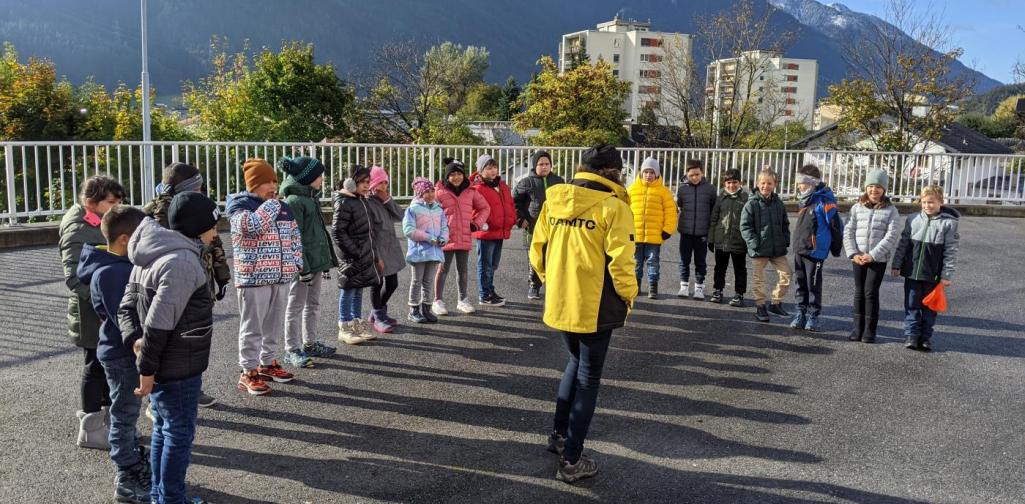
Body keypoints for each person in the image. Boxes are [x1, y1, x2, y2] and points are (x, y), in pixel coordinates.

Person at [529, 144, 637, 484]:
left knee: (574, 364)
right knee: (588, 377)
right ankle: (572, 460)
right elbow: (622, 262)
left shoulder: (554, 200)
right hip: (595, 304)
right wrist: (629, 297)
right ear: (614, 172)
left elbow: (538, 251)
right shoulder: (614, 207)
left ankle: (560, 437)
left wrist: (552, 281)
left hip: (560, 299)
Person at [119, 191, 219, 504]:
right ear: (198, 226)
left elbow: (127, 307)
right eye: (213, 225)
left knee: (164, 427)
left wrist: (134, 342)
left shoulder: (150, 252)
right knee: (178, 432)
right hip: (178, 364)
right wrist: (145, 368)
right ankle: (171, 498)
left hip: (165, 360)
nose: (216, 232)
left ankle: (162, 494)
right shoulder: (181, 262)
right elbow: (159, 324)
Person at [76, 205, 149, 503]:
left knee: (127, 412)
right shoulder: (112, 272)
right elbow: (127, 317)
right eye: (141, 238)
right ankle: (127, 474)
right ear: (123, 240)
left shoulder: (113, 266)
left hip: (120, 350)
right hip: (122, 353)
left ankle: (131, 456)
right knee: (124, 414)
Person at [143, 162, 229, 408]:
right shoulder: (156, 213)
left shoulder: (198, 208)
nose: (202, 191)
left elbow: (215, 244)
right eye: (198, 187)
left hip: (201, 283)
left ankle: (194, 386)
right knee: (169, 340)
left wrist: (222, 277)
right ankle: (157, 399)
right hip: (174, 286)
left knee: (195, 338)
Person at [59, 175, 125, 449]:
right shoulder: (78, 230)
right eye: (111, 201)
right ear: (90, 203)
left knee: (110, 366)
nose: (118, 206)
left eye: (120, 200)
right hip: (92, 313)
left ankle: (110, 423)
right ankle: (90, 427)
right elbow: (74, 278)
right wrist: (102, 300)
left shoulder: (102, 222)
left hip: (107, 309)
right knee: (95, 366)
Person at [227, 159, 302, 395]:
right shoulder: (239, 205)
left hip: (280, 276)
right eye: (267, 181)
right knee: (252, 327)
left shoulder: (283, 208)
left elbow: (294, 237)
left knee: (272, 325)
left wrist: (296, 262)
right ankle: (248, 370)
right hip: (253, 278)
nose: (273, 186)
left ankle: (267, 363)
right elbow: (252, 226)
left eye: (274, 181)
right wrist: (271, 205)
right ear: (253, 184)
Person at [279, 156, 338, 368]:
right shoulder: (295, 201)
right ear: (308, 177)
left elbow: (316, 233)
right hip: (303, 265)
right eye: (319, 175)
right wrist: (302, 266)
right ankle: (292, 348)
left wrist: (323, 262)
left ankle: (310, 342)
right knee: (295, 305)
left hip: (314, 262)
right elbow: (295, 237)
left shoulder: (310, 197)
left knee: (313, 304)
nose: (322, 178)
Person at [891, 185, 959, 351]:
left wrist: (946, 275)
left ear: (940, 202)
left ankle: (925, 337)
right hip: (912, 272)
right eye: (924, 202)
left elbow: (951, 251)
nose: (927, 206)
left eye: (931, 202)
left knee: (929, 308)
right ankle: (911, 336)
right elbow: (903, 244)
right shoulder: (913, 219)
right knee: (911, 304)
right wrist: (896, 264)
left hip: (933, 275)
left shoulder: (949, 223)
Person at [843, 169, 901, 343]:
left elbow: (891, 236)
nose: (874, 190)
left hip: (877, 259)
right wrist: (853, 253)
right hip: (858, 258)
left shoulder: (891, 210)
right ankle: (857, 328)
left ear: (884, 189)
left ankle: (870, 330)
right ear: (866, 188)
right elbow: (848, 231)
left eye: (878, 187)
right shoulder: (856, 208)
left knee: (871, 292)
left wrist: (873, 255)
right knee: (859, 291)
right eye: (871, 186)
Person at [789, 164, 844, 332]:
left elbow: (836, 226)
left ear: (812, 182)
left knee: (813, 285)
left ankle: (813, 315)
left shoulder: (824, 201)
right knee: (800, 283)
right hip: (800, 249)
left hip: (815, 252)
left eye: (803, 182)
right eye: (798, 182)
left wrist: (835, 248)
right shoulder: (804, 201)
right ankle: (800, 312)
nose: (799, 185)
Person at [432, 159, 490, 316]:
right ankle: (437, 300)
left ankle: (463, 300)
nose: (456, 177)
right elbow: (431, 213)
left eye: (459, 174)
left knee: (463, 270)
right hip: (445, 238)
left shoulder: (471, 191)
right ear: (447, 176)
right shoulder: (439, 192)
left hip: (464, 237)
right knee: (442, 269)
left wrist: (476, 224)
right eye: (452, 174)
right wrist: (436, 231)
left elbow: (485, 207)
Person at [332, 165, 382, 344]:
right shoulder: (345, 202)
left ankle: (356, 324)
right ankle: (344, 326)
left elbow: (369, 233)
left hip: (363, 255)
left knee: (359, 288)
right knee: (348, 289)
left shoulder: (361, 200)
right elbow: (338, 232)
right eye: (362, 182)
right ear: (351, 182)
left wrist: (375, 256)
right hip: (352, 256)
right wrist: (355, 252)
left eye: (368, 182)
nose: (366, 185)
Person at [740, 168, 793, 323]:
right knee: (759, 279)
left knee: (787, 274)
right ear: (757, 184)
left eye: (769, 183)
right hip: (759, 249)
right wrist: (754, 243)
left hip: (777, 249)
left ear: (774, 184)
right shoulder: (752, 204)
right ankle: (760, 305)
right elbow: (745, 227)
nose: (766, 186)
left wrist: (785, 240)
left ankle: (776, 303)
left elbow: (785, 224)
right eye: (763, 183)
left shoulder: (779, 204)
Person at [512, 150, 565, 300]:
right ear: (535, 165)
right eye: (541, 164)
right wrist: (520, 219)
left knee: (554, 257)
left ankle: (555, 287)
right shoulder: (526, 182)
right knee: (534, 257)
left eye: (547, 164)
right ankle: (534, 286)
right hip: (533, 227)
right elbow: (515, 202)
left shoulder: (559, 181)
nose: (544, 167)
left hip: (555, 227)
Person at [627, 157, 677, 299]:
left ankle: (653, 287)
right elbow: (624, 210)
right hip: (635, 235)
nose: (648, 175)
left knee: (652, 261)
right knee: (636, 263)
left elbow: (670, 212)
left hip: (655, 236)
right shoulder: (631, 190)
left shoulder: (663, 192)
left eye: (651, 172)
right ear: (641, 173)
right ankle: (636, 286)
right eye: (646, 172)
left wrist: (667, 230)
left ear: (657, 174)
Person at [470, 154, 517, 306]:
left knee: (493, 264)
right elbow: (472, 211)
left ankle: (490, 290)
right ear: (480, 171)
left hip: (499, 230)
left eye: (494, 167)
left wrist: (512, 219)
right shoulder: (476, 188)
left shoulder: (502, 185)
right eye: (488, 168)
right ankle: (484, 294)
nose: (493, 171)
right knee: (485, 265)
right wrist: (484, 222)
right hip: (486, 231)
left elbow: (509, 205)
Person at [366, 165, 406, 333]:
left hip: (391, 247)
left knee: (393, 283)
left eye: (385, 183)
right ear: (372, 185)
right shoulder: (368, 203)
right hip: (378, 251)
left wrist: (388, 199)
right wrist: (376, 256)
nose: (383, 187)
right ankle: (378, 316)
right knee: (377, 283)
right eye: (379, 183)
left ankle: (378, 311)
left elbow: (401, 216)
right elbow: (370, 232)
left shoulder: (385, 201)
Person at [403, 177, 448, 323]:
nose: (429, 194)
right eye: (425, 192)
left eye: (431, 191)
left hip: (434, 251)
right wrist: (429, 238)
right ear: (419, 193)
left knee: (428, 281)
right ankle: (413, 310)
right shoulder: (413, 209)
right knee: (417, 281)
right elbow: (408, 229)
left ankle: (426, 309)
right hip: (418, 251)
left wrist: (443, 238)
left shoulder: (438, 209)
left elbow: (444, 228)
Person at [675, 159, 717, 299]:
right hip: (686, 232)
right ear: (687, 174)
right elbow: (680, 205)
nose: (695, 177)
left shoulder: (710, 189)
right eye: (691, 175)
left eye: (697, 174)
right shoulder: (682, 189)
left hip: (702, 233)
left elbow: (713, 208)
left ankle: (699, 287)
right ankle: (684, 286)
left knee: (700, 261)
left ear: (702, 173)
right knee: (684, 260)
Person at [708, 169, 749, 306]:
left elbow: (750, 221)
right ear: (724, 183)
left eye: (734, 182)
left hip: (739, 241)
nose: (732, 185)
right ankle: (718, 290)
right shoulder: (720, 198)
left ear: (740, 183)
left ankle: (739, 293)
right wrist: (711, 239)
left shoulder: (745, 199)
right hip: (722, 240)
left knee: (740, 268)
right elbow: (714, 219)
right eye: (729, 182)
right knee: (720, 267)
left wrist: (749, 241)